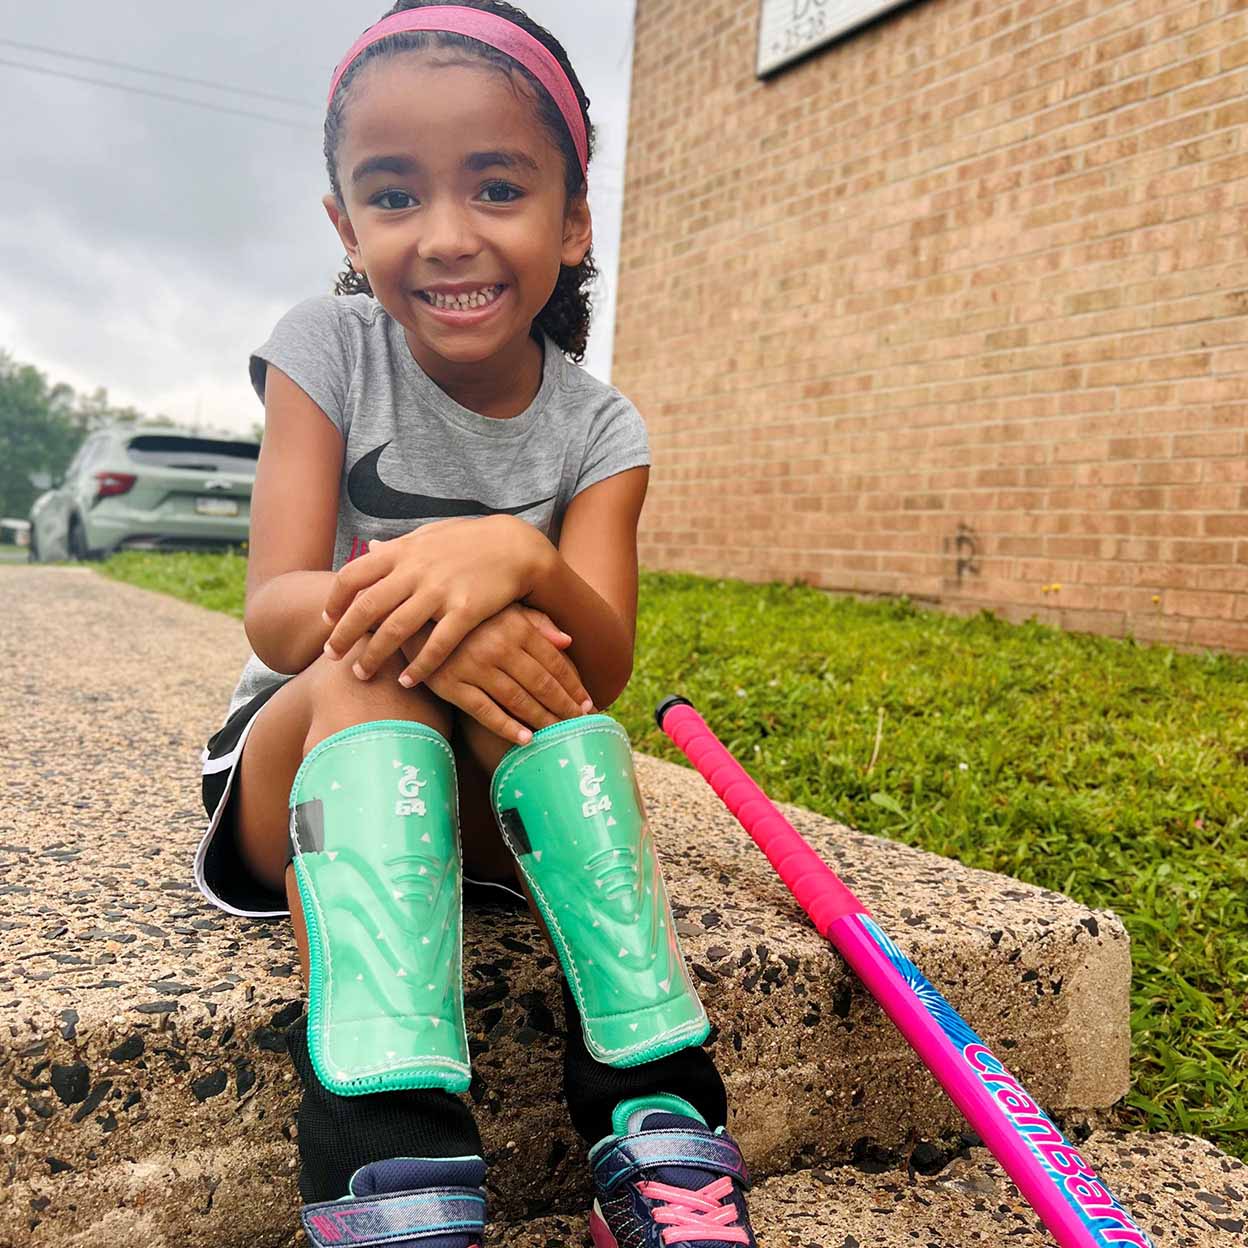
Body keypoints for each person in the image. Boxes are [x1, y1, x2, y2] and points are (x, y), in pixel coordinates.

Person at [195, 4, 756, 1245]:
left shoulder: (602, 431)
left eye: (497, 186)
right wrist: (427, 605)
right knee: (378, 678)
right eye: (393, 197)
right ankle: (388, 1152)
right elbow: (281, 612)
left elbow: (599, 664)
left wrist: (513, 554)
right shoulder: (327, 348)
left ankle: (658, 1121)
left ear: (572, 220)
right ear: (346, 225)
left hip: (490, 789)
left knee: (572, 733)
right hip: (301, 767)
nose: (447, 236)